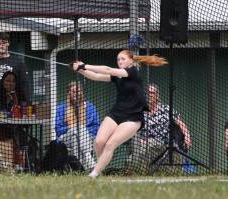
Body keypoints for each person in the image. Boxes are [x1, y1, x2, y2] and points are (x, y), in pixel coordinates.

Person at [72, 50, 168, 178]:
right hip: (116, 113)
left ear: (130, 61)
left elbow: (107, 69)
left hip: (133, 117)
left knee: (110, 144)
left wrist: (85, 65)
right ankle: (100, 170)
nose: (120, 61)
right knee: (99, 142)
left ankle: (93, 174)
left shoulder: (132, 71)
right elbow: (96, 76)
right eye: (118, 60)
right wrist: (80, 70)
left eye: (123, 59)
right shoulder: (118, 76)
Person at [128, 84, 192, 173]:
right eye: (147, 93)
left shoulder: (166, 109)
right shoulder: (139, 110)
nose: (149, 95)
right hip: (141, 143)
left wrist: (187, 136)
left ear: (157, 96)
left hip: (162, 143)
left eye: (152, 93)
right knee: (133, 155)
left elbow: (180, 123)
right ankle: (138, 172)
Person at [55, 81, 100, 170]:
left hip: (88, 137)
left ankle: (79, 168)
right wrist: (73, 128)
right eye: (73, 91)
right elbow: (58, 129)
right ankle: (90, 163)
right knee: (76, 130)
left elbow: (96, 126)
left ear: (82, 92)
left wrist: (82, 130)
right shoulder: (61, 108)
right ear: (68, 93)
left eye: (78, 91)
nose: (76, 94)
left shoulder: (90, 107)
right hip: (65, 138)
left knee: (76, 137)